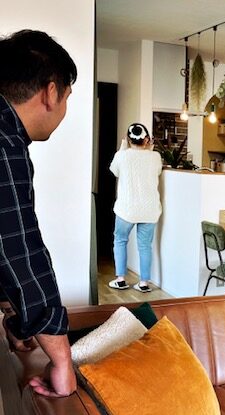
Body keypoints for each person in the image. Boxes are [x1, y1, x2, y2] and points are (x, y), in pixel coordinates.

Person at [0, 29, 77, 397]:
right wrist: (61, 359)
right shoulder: (4, 143)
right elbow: (17, 247)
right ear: (50, 92)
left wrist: (16, 313)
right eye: (67, 97)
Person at [108, 123, 162, 293]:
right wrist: (149, 149)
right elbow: (157, 171)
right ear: (146, 139)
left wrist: (122, 147)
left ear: (128, 138)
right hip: (149, 209)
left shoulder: (121, 156)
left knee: (120, 240)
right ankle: (144, 283)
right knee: (145, 246)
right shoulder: (155, 157)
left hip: (126, 209)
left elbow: (114, 170)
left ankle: (121, 280)